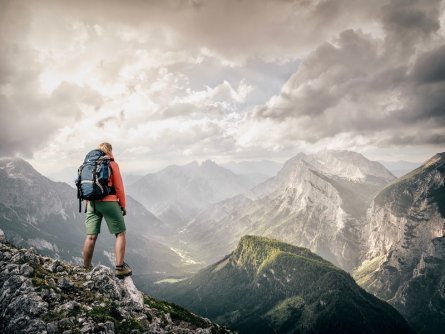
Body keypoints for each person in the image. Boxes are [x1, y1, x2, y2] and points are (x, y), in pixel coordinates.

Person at [82, 142, 132, 278]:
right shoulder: (112, 164)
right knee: (120, 233)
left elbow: (88, 186)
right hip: (109, 202)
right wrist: (122, 205)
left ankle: (85, 267)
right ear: (109, 151)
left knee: (91, 236)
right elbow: (119, 188)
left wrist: (88, 204)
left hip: (91, 203)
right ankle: (120, 267)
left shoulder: (89, 165)